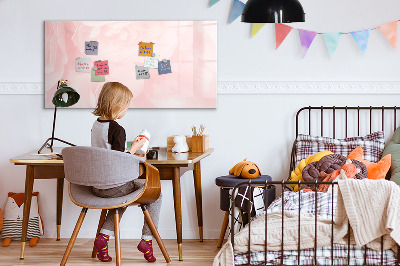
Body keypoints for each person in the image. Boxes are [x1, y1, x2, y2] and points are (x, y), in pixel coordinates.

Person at [91, 82, 161, 263]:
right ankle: (147, 240)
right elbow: (119, 160)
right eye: (126, 105)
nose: (126, 110)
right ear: (117, 105)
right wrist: (136, 148)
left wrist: (130, 149)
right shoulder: (117, 129)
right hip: (114, 186)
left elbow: (108, 154)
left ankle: (103, 238)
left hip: (97, 186)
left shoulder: (96, 125)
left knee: (121, 197)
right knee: (156, 194)